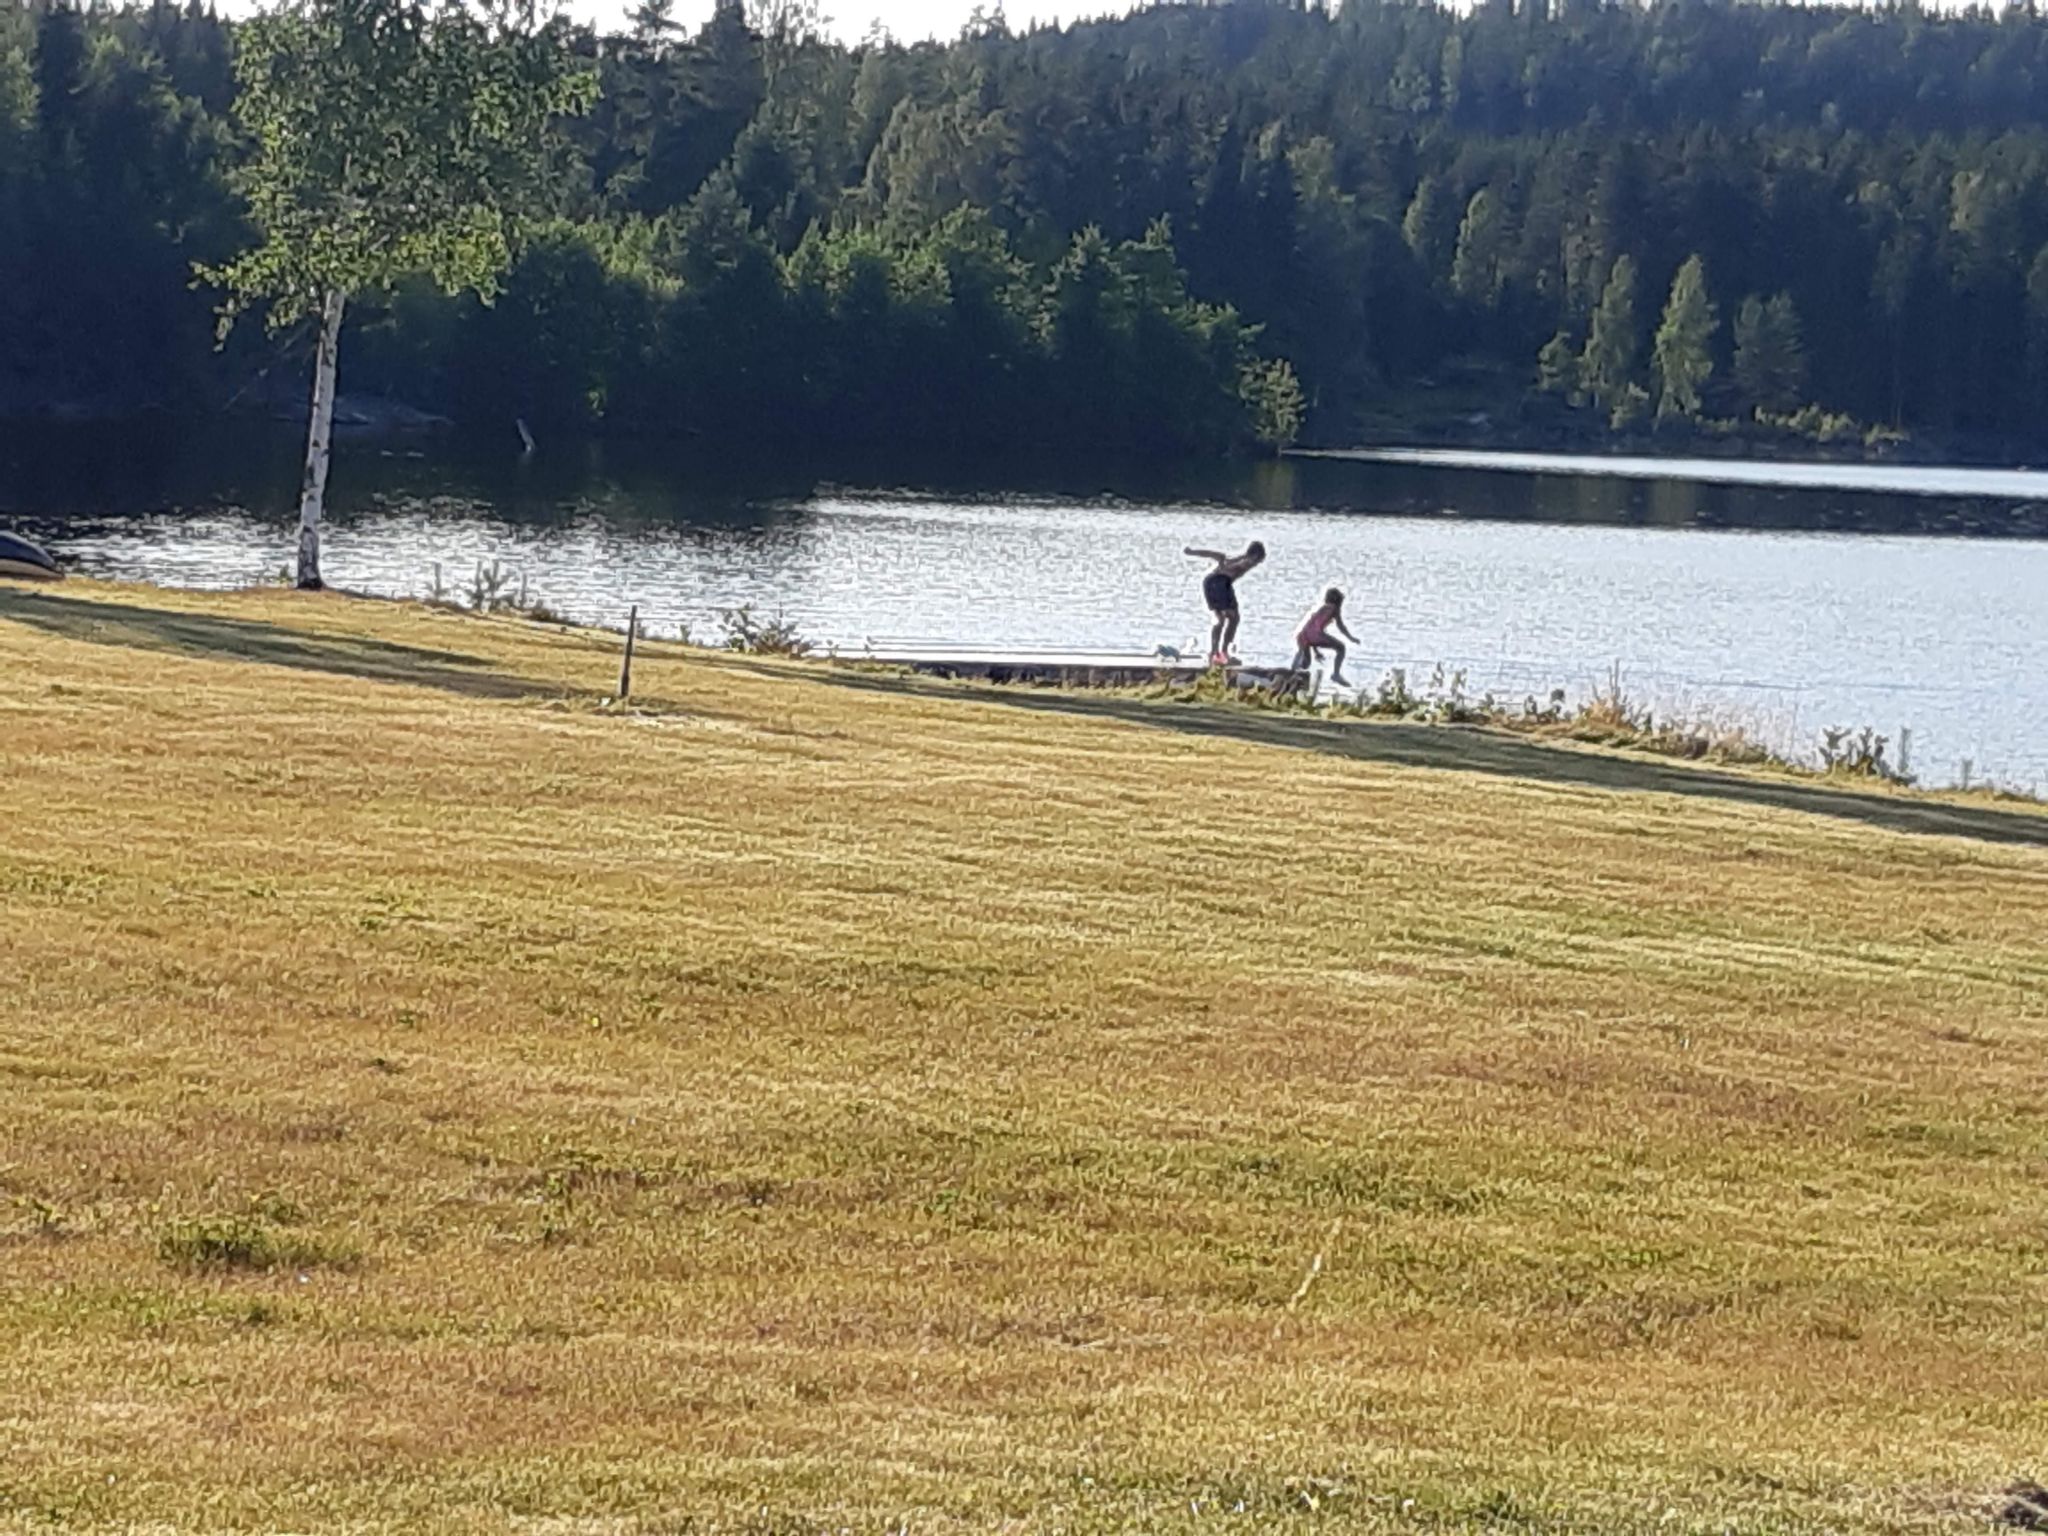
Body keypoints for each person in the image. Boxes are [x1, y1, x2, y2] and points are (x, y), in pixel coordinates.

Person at [1185, 540, 1265, 665]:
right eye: (1256, 560)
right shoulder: (1234, 560)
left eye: (1258, 562)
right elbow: (1214, 555)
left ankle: (1224, 652)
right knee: (1221, 618)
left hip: (1226, 584)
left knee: (1235, 618)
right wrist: (1192, 552)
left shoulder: (1249, 563)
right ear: (1251, 555)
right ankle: (1213, 652)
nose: (1256, 564)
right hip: (1214, 582)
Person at [1291, 586, 1358, 685]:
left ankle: (1294, 669)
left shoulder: (1322, 609)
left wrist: (1316, 651)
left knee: (1306, 664)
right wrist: (1351, 638)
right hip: (1313, 635)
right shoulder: (1333, 608)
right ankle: (1335, 674)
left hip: (1303, 636)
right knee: (1341, 647)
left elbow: (1310, 630)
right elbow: (1340, 626)